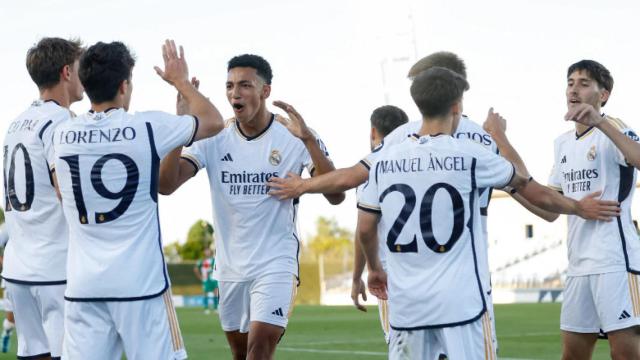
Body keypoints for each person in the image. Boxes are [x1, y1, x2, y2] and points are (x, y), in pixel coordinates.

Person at [358, 67, 620, 359]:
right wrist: (578, 206)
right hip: (462, 304)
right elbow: (529, 186)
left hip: (406, 306)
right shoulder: (469, 155)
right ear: (457, 107)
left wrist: (374, 269)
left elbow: (366, 229)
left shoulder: (384, 161)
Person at [159, 53, 345, 360]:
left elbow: (336, 194)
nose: (235, 93)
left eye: (245, 85)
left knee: (259, 349)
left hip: (276, 263)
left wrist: (309, 141)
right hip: (230, 269)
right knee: (240, 353)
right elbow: (166, 185)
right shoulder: (213, 137)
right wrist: (181, 128)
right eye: (230, 85)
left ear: (265, 91)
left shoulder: (293, 135)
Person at [53, 40, 225, 359]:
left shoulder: (61, 135)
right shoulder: (147, 126)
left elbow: (62, 191)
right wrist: (181, 82)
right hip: (140, 286)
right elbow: (214, 121)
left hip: (83, 287)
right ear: (124, 85)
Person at [538, 60, 640, 359]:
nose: (574, 88)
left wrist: (601, 123)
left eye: (584, 83)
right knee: (573, 356)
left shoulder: (614, 129)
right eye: (570, 82)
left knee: (625, 355)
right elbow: (550, 209)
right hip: (578, 266)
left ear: (603, 95)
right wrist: (511, 181)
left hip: (615, 262)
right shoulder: (562, 143)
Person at [1, 37, 83, 360]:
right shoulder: (61, 121)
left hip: (19, 266)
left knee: (33, 353)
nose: (82, 77)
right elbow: (63, 188)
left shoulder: (16, 123)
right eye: (78, 69)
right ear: (66, 72)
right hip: (55, 265)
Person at [350, 105, 408, 344]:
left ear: (373, 131)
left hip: (389, 275)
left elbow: (364, 228)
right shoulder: (427, 160)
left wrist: (358, 277)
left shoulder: (371, 169)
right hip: (432, 269)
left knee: (402, 348)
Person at [0, 225, 14, 353]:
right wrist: (2, 260)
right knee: (11, 317)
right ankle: (7, 332)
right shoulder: (7, 227)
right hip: (11, 277)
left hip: (41, 277)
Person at [194, 247, 219, 314]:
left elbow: (218, 269)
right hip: (206, 280)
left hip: (213, 279)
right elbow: (196, 269)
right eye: (205, 251)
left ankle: (216, 308)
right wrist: (200, 277)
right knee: (205, 293)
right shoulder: (201, 260)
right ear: (204, 252)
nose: (207, 252)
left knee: (215, 293)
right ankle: (206, 309)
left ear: (210, 252)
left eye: (208, 251)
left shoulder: (214, 260)